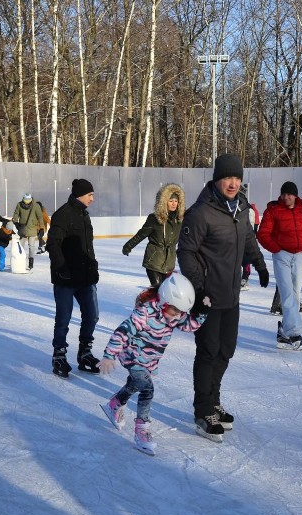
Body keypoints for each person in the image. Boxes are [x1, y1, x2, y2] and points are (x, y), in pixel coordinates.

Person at [177, 153, 269, 442]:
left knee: (226, 350)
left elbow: (248, 238)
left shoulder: (241, 207)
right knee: (208, 352)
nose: (233, 183)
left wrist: (260, 263)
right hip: (207, 297)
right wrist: (198, 288)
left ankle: (213, 401)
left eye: (237, 178)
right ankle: (203, 410)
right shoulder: (200, 212)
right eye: (228, 178)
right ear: (217, 179)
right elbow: (186, 252)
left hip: (231, 296)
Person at [97, 273, 208, 456]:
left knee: (136, 384)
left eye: (181, 312)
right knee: (147, 389)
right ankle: (142, 430)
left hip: (149, 361)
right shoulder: (145, 313)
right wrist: (109, 355)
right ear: (164, 302)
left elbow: (189, 326)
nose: (178, 316)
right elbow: (122, 332)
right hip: (132, 357)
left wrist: (203, 312)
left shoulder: (174, 313)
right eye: (175, 311)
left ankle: (114, 404)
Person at [46, 178, 101, 378]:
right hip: (65, 279)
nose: (92, 199)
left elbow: (88, 247)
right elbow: (52, 244)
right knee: (63, 319)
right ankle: (59, 356)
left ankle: (84, 353)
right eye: (90, 195)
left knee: (92, 315)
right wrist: (61, 267)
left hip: (85, 278)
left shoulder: (84, 215)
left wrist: (93, 267)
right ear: (80, 195)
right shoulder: (62, 215)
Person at [257, 182, 302, 350]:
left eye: (290, 194)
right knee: (287, 291)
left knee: (295, 293)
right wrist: (277, 249)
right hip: (282, 254)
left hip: (300, 254)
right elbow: (263, 234)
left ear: (296, 195)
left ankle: (284, 330)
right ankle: (294, 332)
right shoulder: (273, 210)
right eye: (284, 194)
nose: (287, 197)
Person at [122, 183, 185, 287]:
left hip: (169, 263)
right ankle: (146, 301)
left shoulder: (180, 220)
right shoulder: (154, 219)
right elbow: (141, 234)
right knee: (158, 289)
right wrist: (128, 246)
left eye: (176, 201)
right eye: (170, 201)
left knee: (166, 294)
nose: (174, 203)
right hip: (154, 261)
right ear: (164, 202)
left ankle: (151, 303)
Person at [11, 193, 46, 271]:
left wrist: (41, 228)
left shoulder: (36, 206)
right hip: (22, 228)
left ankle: (30, 263)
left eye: (28, 200)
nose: (26, 202)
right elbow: (16, 214)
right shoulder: (19, 205)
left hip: (32, 228)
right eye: (25, 200)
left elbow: (40, 217)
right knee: (21, 246)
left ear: (31, 199)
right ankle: (21, 261)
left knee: (31, 246)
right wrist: (16, 222)